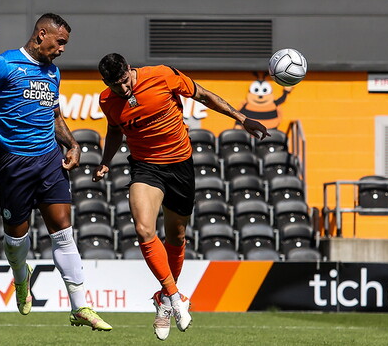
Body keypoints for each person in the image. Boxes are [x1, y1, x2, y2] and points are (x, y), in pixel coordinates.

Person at [0, 13, 111, 331]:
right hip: (13, 164)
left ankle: (79, 304)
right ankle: (20, 277)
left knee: (63, 231)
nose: (62, 50)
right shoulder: (3, 65)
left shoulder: (53, 72)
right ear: (42, 34)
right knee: (17, 240)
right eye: (60, 42)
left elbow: (54, 114)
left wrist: (72, 143)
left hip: (48, 161)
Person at [93, 53, 269, 341]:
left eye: (124, 81)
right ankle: (175, 297)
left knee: (175, 236)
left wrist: (241, 118)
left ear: (129, 70)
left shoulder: (161, 76)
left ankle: (163, 301)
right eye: (115, 86)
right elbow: (114, 130)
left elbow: (203, 96)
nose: (123, 89)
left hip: (180, 166)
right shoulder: (107, 101)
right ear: (106, 83)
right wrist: (105, 161)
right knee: (143, 229)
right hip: (145, 167)